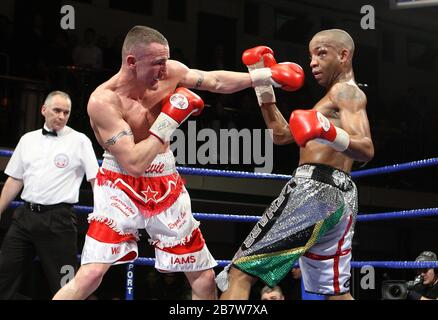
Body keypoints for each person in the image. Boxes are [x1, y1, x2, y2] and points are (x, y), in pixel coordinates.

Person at [52, 25, 302, 300]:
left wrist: (266, 76)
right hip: (120, 182)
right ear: (132, 62)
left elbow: (214, 81)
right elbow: (134, 163)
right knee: (91, 274)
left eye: (165, 61)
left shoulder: (169, 72)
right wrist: (170, 118)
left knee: (205, 279)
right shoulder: (103, 101)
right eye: (157, 63)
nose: (164, 70)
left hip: (165, 180)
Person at [218, 29, 374, 300]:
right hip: (341, 197)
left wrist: (326, 129)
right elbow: (280, 134)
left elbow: (366, 148)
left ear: (343, 55)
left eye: (321, 53)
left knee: (239, 273)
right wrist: (262, 78)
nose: (313, 61)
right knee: (335, 292)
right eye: (311, 55)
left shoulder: (346, 92)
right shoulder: (327, 101)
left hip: (314, 191)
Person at [0, 90, 99, 299]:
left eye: (66, 112)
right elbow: (15, 180)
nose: (61, 116)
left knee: (66, 284)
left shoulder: (80, 141)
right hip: (24, 218)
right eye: (57, 110)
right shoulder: (28, 140)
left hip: (59, 221)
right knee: (3, 275)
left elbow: (95, 180)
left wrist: (101, 216)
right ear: (44, 110)